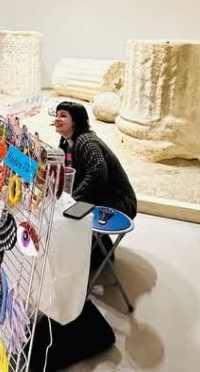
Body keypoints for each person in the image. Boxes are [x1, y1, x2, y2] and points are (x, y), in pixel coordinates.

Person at [53, 101, 137, 269]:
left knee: (69, 211)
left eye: (63, 115)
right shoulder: (67, 142)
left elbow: (98, 173)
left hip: (119, 202)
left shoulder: (86, 140)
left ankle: (96, 256)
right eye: (56, 115)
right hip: (101, 195)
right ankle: (97, 251)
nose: (57, 119)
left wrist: (74, 199)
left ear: (75, 121)